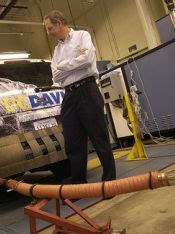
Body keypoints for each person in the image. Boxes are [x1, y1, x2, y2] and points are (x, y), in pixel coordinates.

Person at [43, 10, 116, 184]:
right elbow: (55, 76)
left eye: (50, 28)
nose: (48, 33)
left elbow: (87, 60)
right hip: (69, 96)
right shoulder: (56, 49)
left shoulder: (82, 36)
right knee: (73, 140)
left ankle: (109, 180)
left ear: (60, 23)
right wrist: (73, 64)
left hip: (87, 91)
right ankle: (78, 182)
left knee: (98, 136)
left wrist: (64, 66)